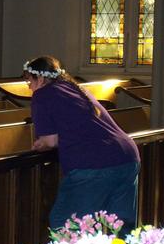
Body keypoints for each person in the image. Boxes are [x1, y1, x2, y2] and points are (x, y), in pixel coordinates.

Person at [24, 56, 140, 232]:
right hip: (127, 156)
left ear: (39, 78)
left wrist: (40, 144)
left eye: (29, 82)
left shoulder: (42, 95)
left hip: (94, 162)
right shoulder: (75, 88)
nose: (29, 87)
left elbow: (51, 140)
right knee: (119, 227)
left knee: (65, 225)